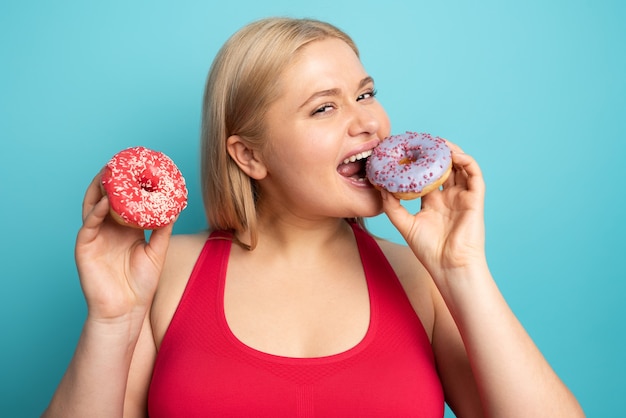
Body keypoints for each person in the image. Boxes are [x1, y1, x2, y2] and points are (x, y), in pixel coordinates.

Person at [43, 17, 584, 417]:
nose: (368, 122)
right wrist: (111, 321)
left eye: (365, 94)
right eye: (325, 107)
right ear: (248, 155)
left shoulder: (422, 278)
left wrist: (463, 270)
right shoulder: (160, 275)